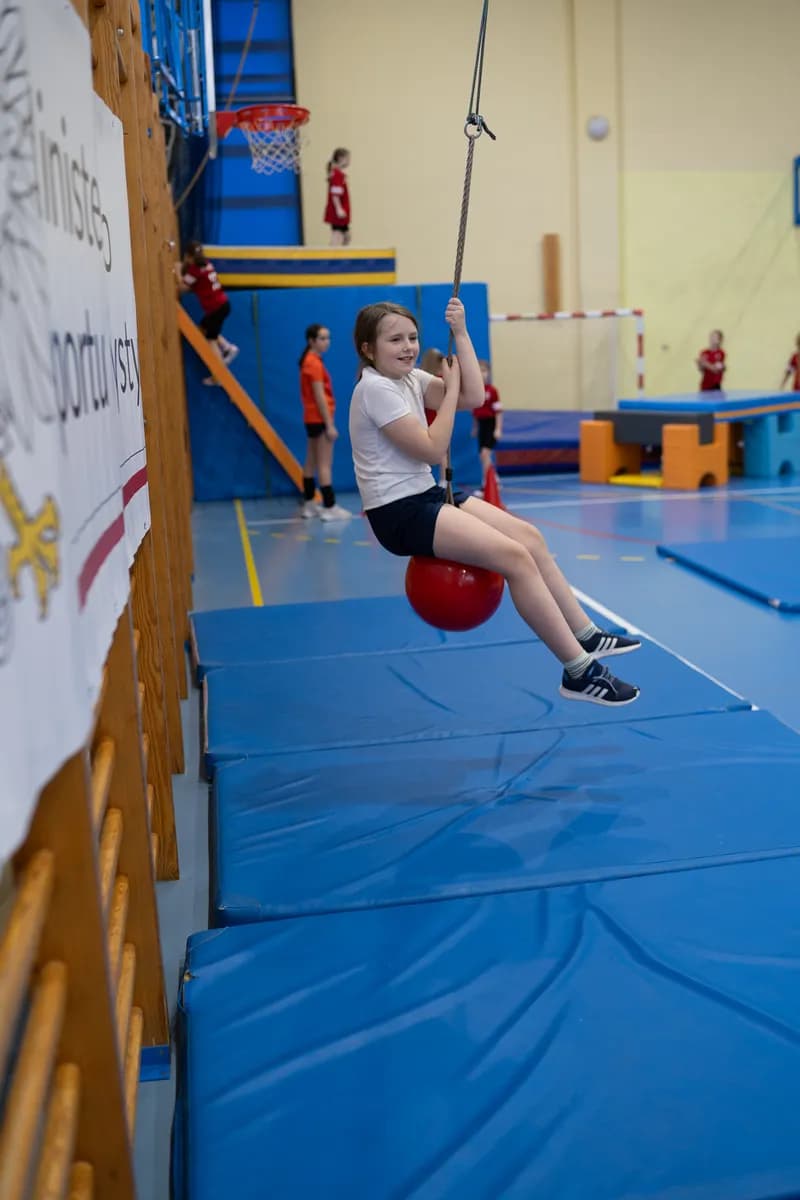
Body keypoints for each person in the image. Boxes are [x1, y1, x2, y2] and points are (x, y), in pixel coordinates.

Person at [349, 298, 641, 706]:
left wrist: (463, 332)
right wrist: (447, 393)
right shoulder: (375, 389)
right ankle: (579, 671)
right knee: (514, 558)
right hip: (398, 513)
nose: (407, 347)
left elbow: (473, 396)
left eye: (412, 338)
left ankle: (586, 633)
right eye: (394, 340)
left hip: (425, 496)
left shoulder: (408, 379)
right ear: (368, 349)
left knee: (529, 537)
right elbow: (433, 449)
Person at [298, 324, 351, 521]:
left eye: (328, 338)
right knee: (324, 464)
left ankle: (309, 503)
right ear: (311, 341)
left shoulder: (309, 361)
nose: (326, 342)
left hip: (310, 418)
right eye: (322, 338)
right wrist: (329, 424)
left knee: (310, 462)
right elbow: (320, 396)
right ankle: (329, 506)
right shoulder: (313, 364)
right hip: (319, 419)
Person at [178, 241, 238, 385]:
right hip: (222, 305)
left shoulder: (195, 270)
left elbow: (182, 287)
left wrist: (177, 271)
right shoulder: (206, 264)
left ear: (188, 256)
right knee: (204, 328)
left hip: (217, 308)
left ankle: (218, 374)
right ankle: (227, 347)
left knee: (210, 339)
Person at [472, 358, 503, 497]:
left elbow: (498, 412)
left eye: (484, 371)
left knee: (485, 454)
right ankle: (493, 478)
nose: (482, 373)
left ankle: (486, 484)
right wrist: (475, 427)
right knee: (482, 456)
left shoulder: (492, 391)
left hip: (491, 424)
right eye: (479, 371)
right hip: (482, 425)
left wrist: (498, 429)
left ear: (488, 373)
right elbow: (476, 412)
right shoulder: (475, 391)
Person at [420, 347, 447, 484]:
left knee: (442, 454)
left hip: (436, 422)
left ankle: (444, 482)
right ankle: (429, 481)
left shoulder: (440, 380)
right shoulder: (424, 380)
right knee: (426, 454)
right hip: (425, 422)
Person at [324, 149, 351, 247]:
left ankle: (341, 255)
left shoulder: (338, 174)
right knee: (337, 236)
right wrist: (339, 209)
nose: (349, 161)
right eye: (348, 158)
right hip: (338, 213)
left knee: (347, 236)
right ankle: (332, 256)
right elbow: (335, 194)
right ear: (341, 158)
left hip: (342, 213)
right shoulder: (337, 175)